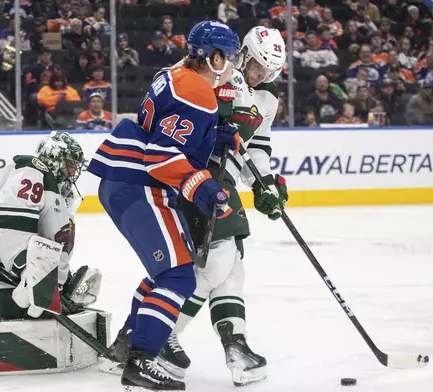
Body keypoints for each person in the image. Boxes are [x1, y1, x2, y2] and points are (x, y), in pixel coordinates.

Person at [87, 21, 241, 392]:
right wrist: (204, 188)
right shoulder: (198, 93)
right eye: (231, 57)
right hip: (143, 185)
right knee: (178, 278)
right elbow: (162, 155)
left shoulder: (172, 73)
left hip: (122, 181)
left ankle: (127, 342)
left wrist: (210, 134)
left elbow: (162, 127)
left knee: (164, 274)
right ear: (215, 57)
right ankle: (141, 360)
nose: (234, 65)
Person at [162, 26, 288, 387]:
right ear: (244, 54)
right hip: (195, 176)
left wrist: (265, 185)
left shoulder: (267, 98)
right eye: (257, 66)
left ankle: (236, 346)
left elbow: (258, 149)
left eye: (268, 71)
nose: (261, 75)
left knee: (231, 266)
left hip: (225, 181)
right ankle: (158, 336)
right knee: (218, 260)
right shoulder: (214, 72)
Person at [0, 132, 104, 378]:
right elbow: (4, 223)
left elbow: (49, 244)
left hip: (11, 277)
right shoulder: (32, 168)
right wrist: (29, 271)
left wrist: (60, 281)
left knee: (55, 312)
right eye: (70, 165)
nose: (72, 173)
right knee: (31, 305)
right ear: (54, 157)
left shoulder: (55, 192)